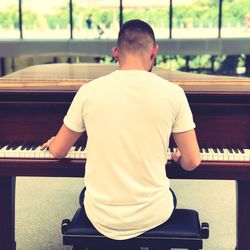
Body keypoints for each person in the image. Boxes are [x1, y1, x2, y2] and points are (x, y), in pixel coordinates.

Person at [41, 19, 200, 240]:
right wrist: (180, 156)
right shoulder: (173, 93)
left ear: (116, 53)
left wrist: (54, 141)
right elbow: (192, 162)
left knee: (84, 196)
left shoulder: (88, 91)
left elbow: (58, 151)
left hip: (100, 214)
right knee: (168, 196)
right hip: (154, 213)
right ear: (154, 51)